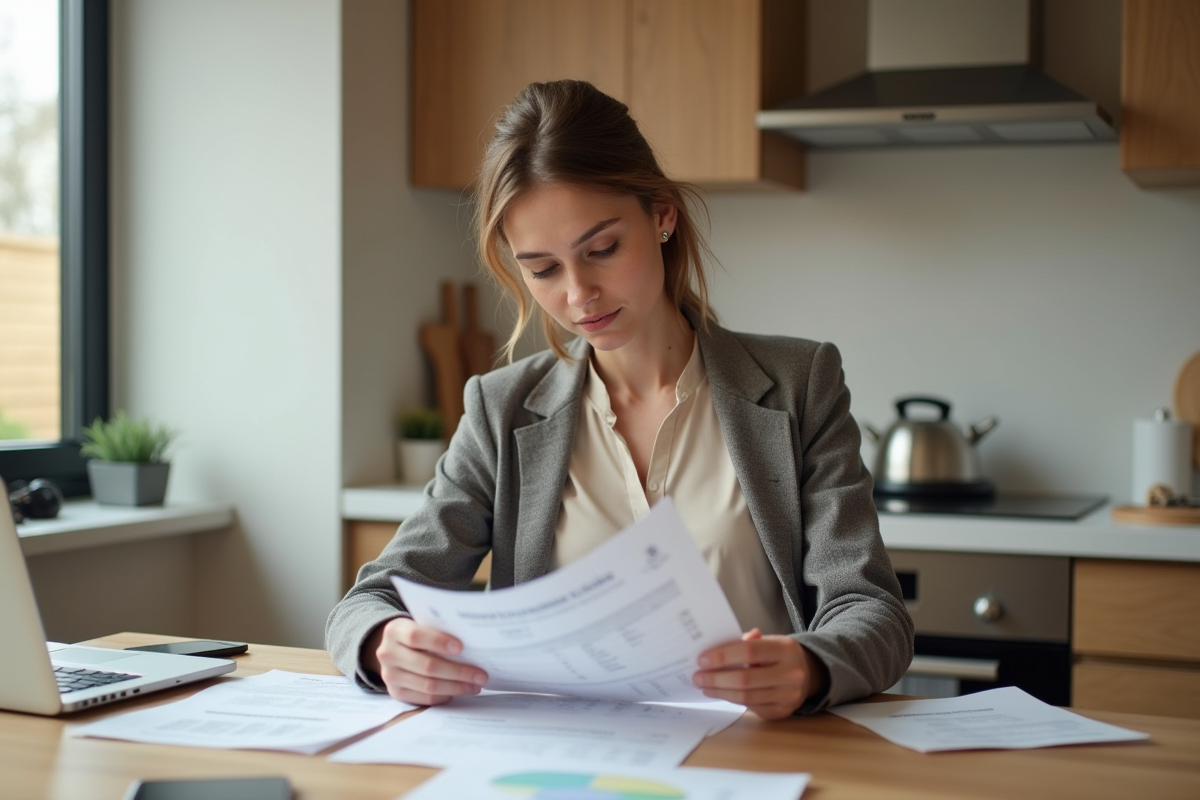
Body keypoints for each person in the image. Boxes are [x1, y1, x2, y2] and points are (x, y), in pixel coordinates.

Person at [326, 79, 913, 720]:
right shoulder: (502, 408)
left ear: (662, 215)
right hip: (565, 755)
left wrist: (810, 666)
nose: (579, 294)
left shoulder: (800, 383)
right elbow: (368, 601)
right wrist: (384, 643)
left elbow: (873, 612)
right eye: (543, 269)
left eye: (602, 249)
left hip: (755, 751)